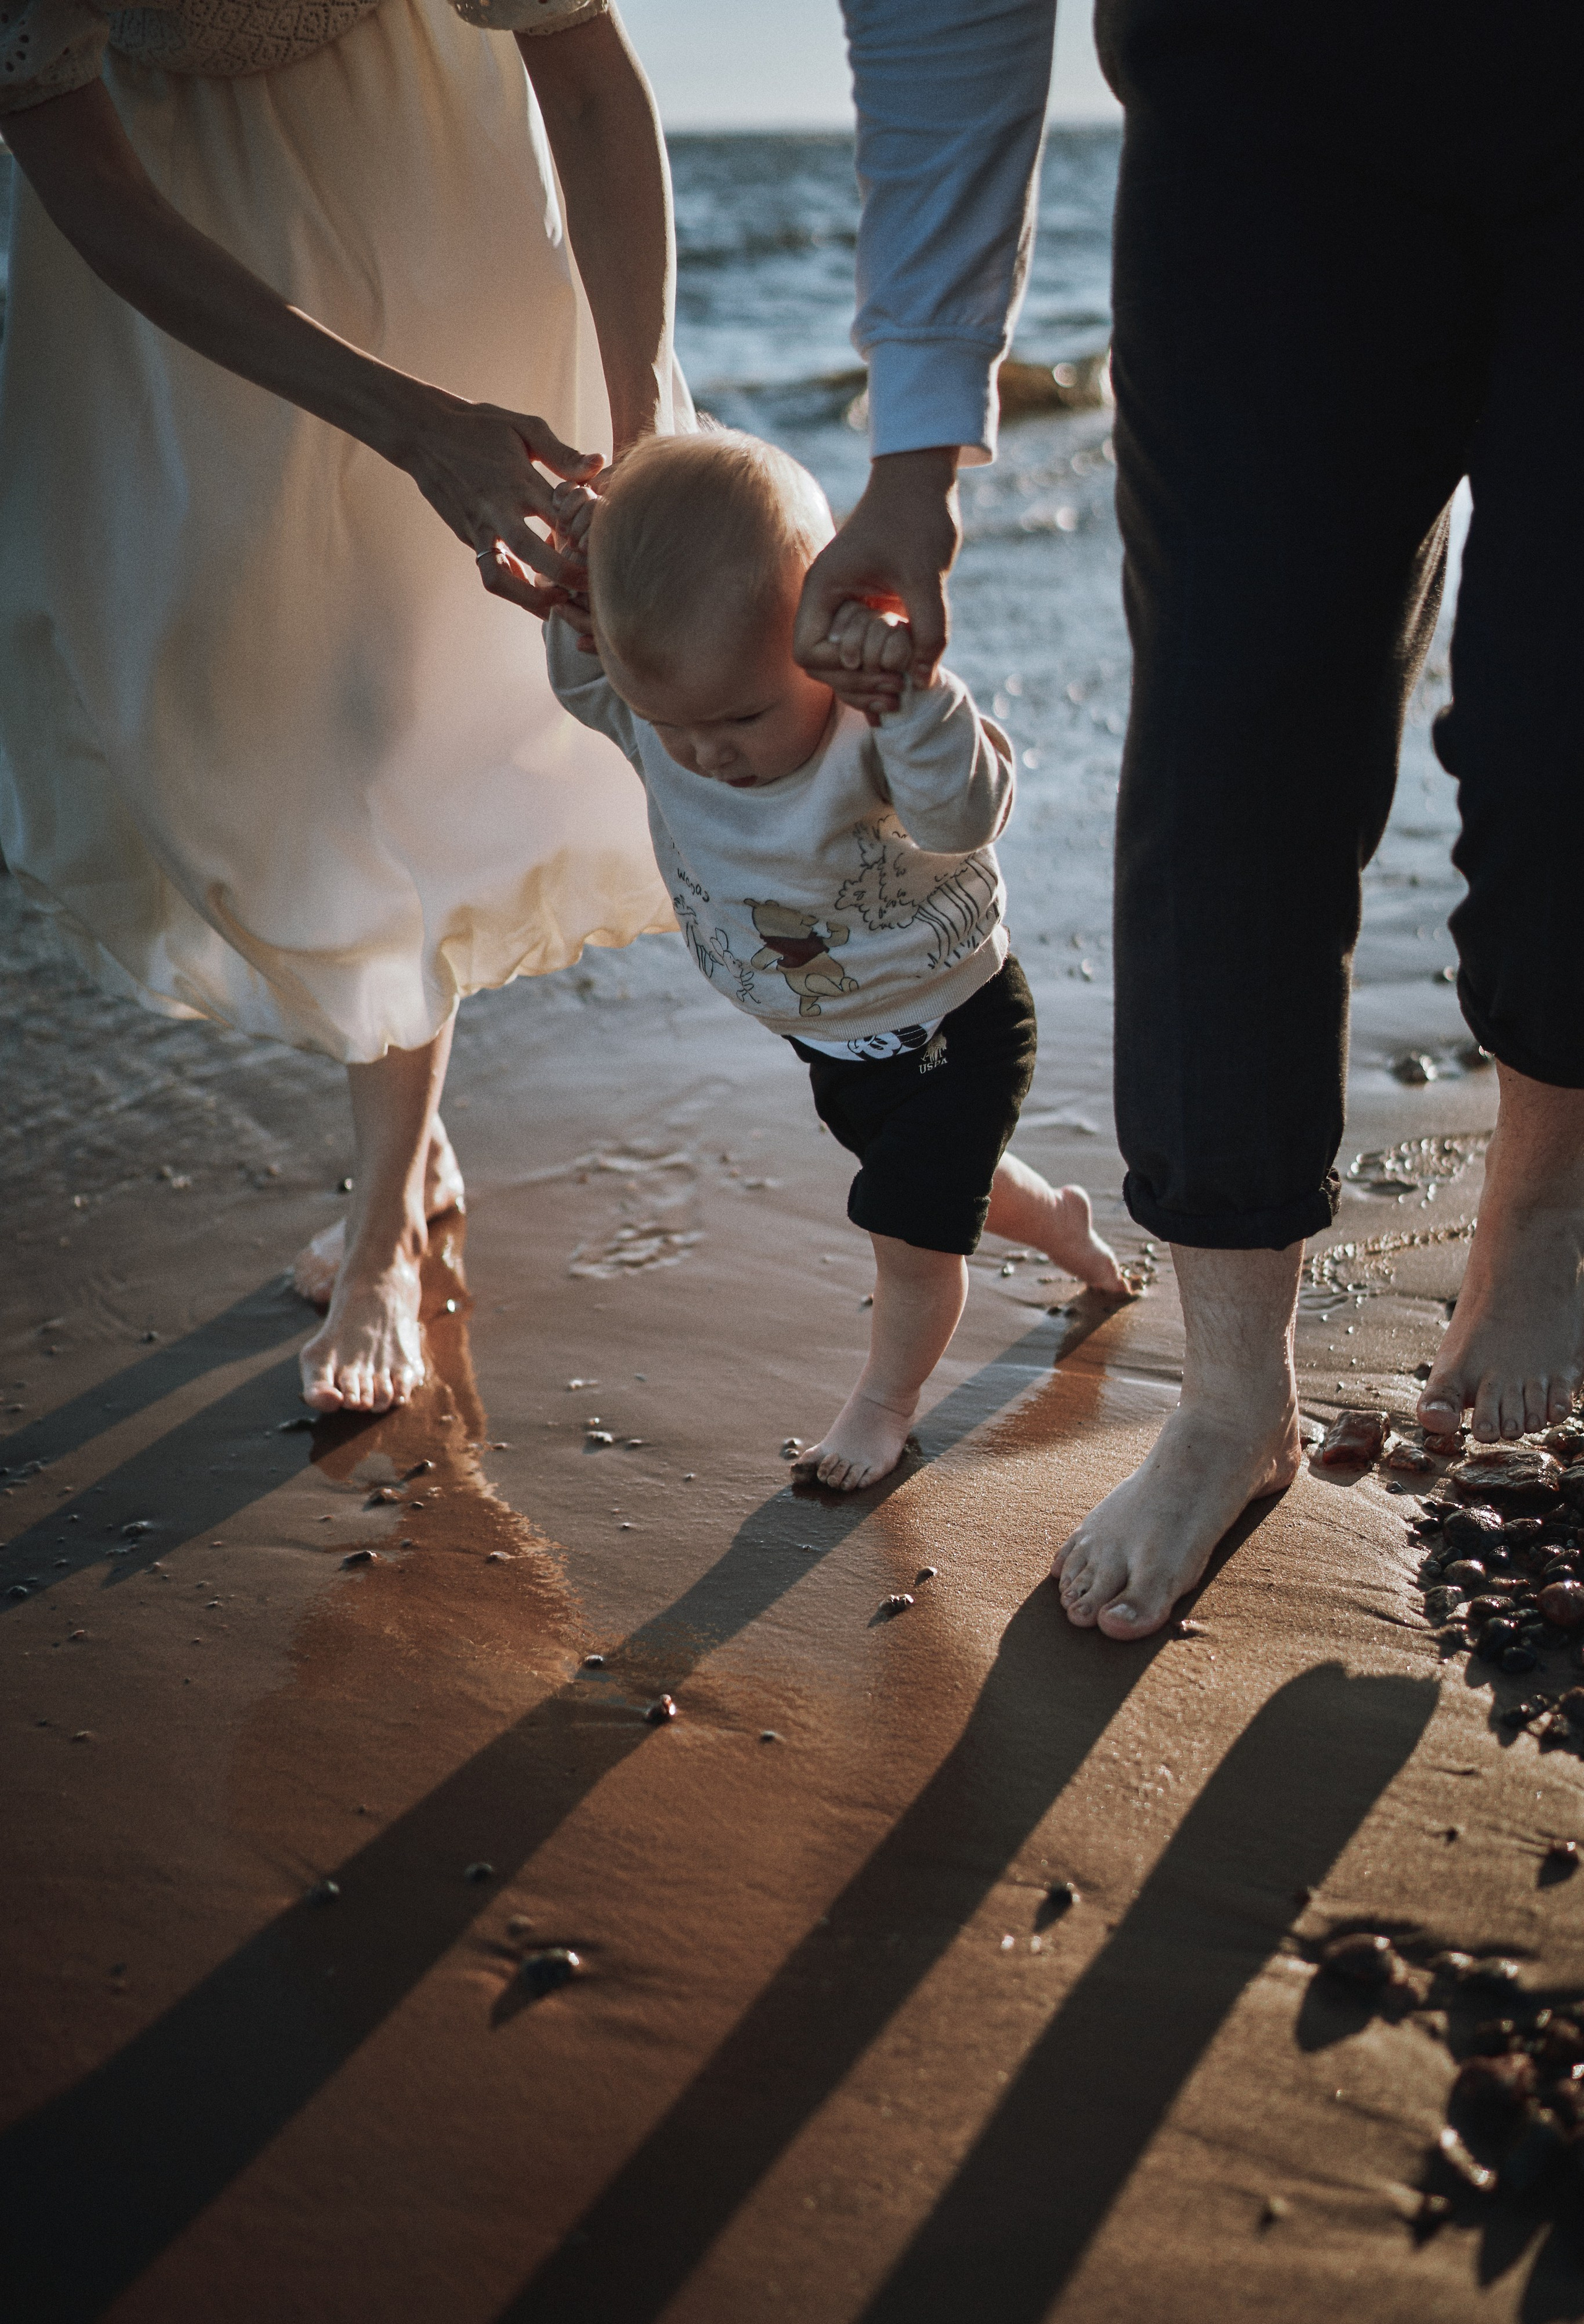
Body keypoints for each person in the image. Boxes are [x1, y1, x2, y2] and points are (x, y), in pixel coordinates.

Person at [793, 0, 1584, 1634]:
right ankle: (1231, 1397)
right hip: (1267, 97)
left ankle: (1545, 1208)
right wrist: (917, 452)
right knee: (1234, 728)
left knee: (1564, 713)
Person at [0, 0, 689, 1414]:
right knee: (252, 679)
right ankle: (406, 1147)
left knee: (396, 691)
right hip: (185, 241)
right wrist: (409, 423)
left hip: (428, 174)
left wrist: (648, 437)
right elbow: (75, 164)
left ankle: (381, 1227)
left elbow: (582, 57)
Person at [541, 430, 1126, 1488]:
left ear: (823, 637)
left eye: (744, 716)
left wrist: (916, 704)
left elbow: (967, 818)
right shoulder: (663, 715)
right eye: (676, 724)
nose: (709, 751)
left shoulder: (874, 727)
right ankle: (1067, 1228)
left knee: (911, 1232)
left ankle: (883, 1405)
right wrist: (583, 603)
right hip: (836, 1043)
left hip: (959, 1021)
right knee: (952, 1186)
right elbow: (593, 690)